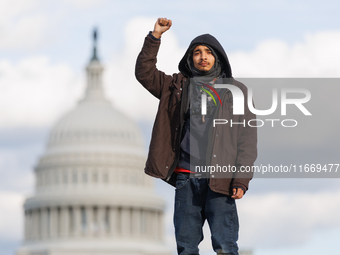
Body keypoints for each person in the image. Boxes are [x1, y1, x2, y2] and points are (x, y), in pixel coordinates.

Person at [135, 18, 257, 255]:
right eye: (197, 53)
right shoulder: (175, 86)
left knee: (225, 246)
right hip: (186, 179)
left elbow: (247, 140)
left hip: (220, 180)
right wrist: (155, 36)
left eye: (208, 52)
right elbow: (144, 73)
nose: (203, 56)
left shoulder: (236, 92)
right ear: (190, 59)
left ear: (217, 57)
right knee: (186, 247)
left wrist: (241, 180)